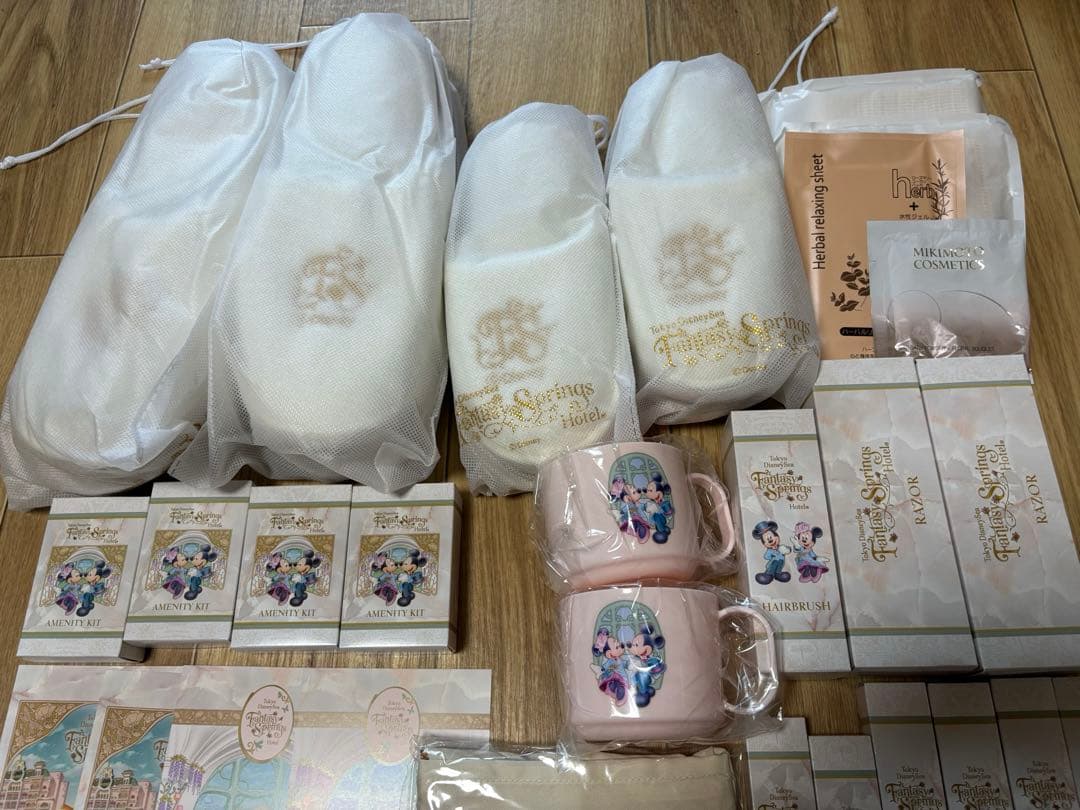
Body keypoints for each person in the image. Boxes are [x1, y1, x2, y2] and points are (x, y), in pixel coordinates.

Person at [753, 520, 791, 584]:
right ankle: (768, 575)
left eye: (771, 537)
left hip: (780, 562)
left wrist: (787, 550)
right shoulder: (770, 551)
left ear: (777, 537)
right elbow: (766, 556)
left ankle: (778, 574)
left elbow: (787, 550)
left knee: (779, 568)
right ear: (765, 544)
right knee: (771, 569)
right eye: (767, 540)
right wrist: (772, 555)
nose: (770, 540)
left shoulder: (781, 548)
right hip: (773, 563)